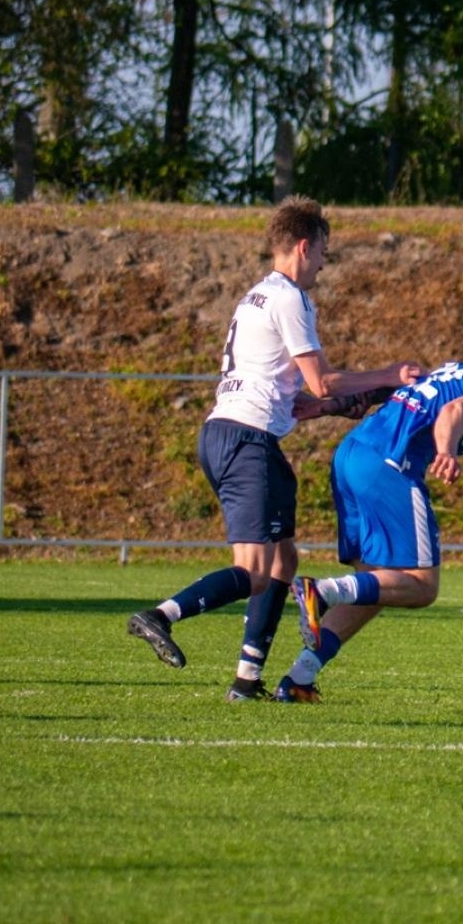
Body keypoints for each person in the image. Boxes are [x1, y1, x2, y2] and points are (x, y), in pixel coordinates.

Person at [127, 195, 423, 700]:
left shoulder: (257, 296)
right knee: (254, 570)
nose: (325, 264)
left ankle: (247, 680)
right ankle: (160, 615)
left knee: (283, 561)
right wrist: (391, 375)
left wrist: (329, 404)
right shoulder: (290, 297)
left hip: (236, 434)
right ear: (304, 247)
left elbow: (301, 395)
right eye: (324, 252)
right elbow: (325, 381)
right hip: (247, 441)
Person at [274, 329, 463, 702]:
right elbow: (455, 410)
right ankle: (322, 591)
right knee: (420, 586)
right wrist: (445, 451)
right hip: (390, 464)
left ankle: (300, 677)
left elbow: (409, 392)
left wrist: (329, 407)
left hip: (353, 454)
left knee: (381, 585)